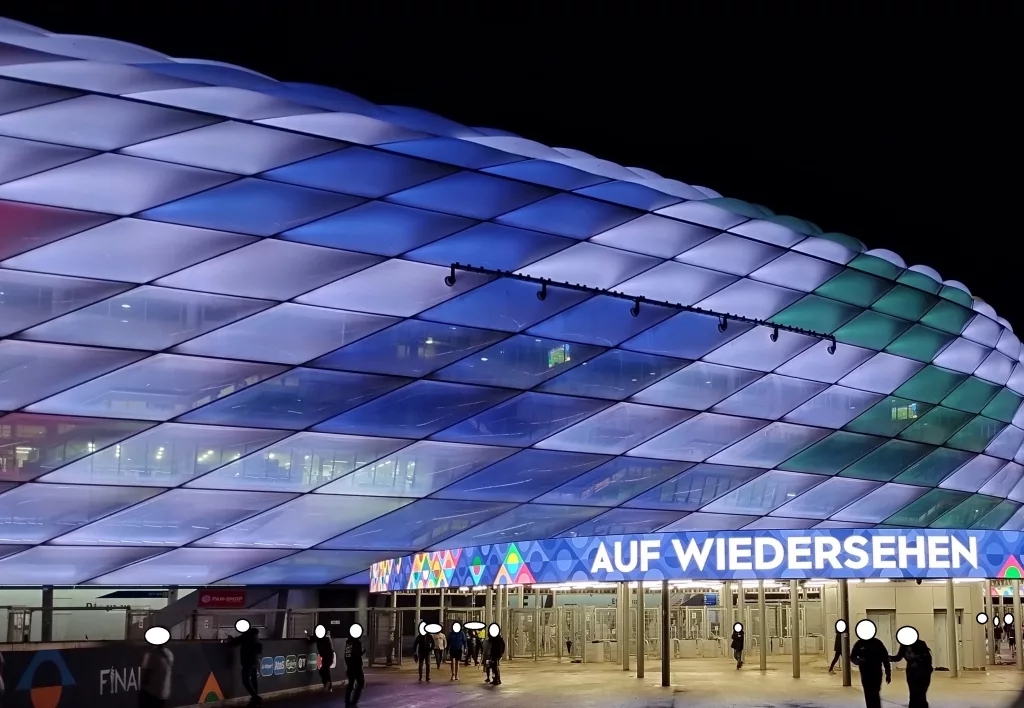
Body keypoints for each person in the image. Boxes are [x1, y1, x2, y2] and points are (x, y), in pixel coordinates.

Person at [851, 624, 891, 708]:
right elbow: (852, 657)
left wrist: (888, 673)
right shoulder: (859, 643)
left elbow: (885, 658)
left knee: (875, 692)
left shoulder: (877, 643)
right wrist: (859, 661)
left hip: (876, 672)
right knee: (868, 693)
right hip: (865, 673)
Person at [890, 636, 933, 708]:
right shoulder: (903, 645)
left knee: (921, 692)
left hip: (923, 672)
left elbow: (927, 658)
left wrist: (918, 659)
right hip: (911, 673)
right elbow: (898, 657)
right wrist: (886, 657)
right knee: (913, 692)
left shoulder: (920, 643)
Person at [227, 627, 263, 706]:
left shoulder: (245, 636)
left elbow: (234, 642)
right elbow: (260, 648)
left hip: (247, 662)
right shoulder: (255, 637)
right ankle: (255, 696)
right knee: (254, 679)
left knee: (245, 681)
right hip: (254, 661)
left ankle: (255, 697)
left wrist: (230, 639)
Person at [139, 636, 174, 708]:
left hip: (153, 693)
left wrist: (142, 688)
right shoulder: (169, 654)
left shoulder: (153, 654)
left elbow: (147, 676)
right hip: (163, 693)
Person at [306, 625, 335, 693]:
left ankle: (327, 685)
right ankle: (328, 686)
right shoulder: (318, 637)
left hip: (328, 656)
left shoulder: (326, 638)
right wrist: (308, 636)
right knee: (323, 670)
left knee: (325, 670)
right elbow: (311, 640)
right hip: (325, 657)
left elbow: (330, 649)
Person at [344, 624, 366, 707]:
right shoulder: (357, 642)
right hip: (357, 666)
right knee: (361, 683)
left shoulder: (348, 642)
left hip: (350, 666)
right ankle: (354, 702)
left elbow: (347, 655)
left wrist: (348, 664)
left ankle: (347, 701)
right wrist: (363, 652)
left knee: (351, 684)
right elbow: (357, 654)